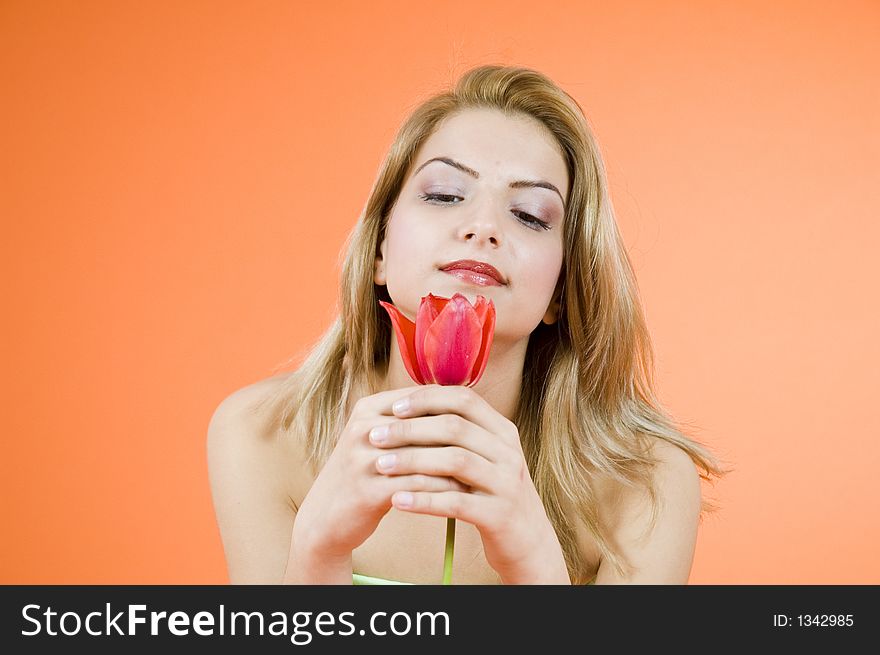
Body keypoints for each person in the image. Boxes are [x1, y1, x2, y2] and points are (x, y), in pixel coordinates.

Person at [207, 64, 729, 585]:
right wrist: (318, 554)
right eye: (443, 194)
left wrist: (536, 568)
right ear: (379, 252)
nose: (483, 227)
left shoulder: (647, 483)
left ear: (561, 293)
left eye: (528, 214)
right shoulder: (261, 435)